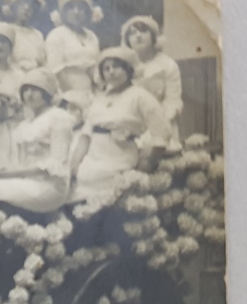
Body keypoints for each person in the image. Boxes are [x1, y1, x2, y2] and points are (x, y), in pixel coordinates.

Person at [69, 47, 173, 202]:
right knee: (75, 186)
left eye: (116, 66)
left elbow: (162, 131)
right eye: (106, 68)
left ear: (128, 69)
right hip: (92, 156)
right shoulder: (99, 99)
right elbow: (85, 135)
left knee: (103, 191)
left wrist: (149, 162)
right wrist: (75, 164)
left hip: (119, 155)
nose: (111, 72)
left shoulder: (140, 96)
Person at [0, 68, 76, 213]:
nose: (29, 94)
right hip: (27, 180)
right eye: (25, 90)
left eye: (35, 89)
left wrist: (9, 174)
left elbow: (56, 163)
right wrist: (3, 170)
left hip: (50, 185)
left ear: (47, 93)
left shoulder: (58, 117)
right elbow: (19, 162)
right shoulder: (25, 125)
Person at [121, 15, 184, 153]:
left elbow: (173, 100)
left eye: (143, 31)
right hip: (132, 125)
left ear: (154, 36)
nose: (138, 35)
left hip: (162, 121)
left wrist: (158, 123)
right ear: (127, 41)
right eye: (132, 33)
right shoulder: (124, 67)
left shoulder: (167, 64)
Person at [45, 0, 102, 93]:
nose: (76, 12)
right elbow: (56, 70)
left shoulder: (91, 36)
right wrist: (70, 94)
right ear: (64, 12)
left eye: (80, 8)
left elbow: (95, 67)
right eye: (71, 8)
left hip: (89, 88)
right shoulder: (57, 34)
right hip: (64, 87)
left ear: (87, 12)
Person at [0, 21, 24, 168]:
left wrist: (15, 105)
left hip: (12, 127)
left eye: (3, 42)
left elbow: (24, 103)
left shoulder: (18, 74)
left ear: (11, 46)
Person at [1, 0, 47, 72]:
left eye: (31, 5)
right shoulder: (6, 30)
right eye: (22, 4)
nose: (27, 8)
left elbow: (42, 63)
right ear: (13, 7)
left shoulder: (37, 34)